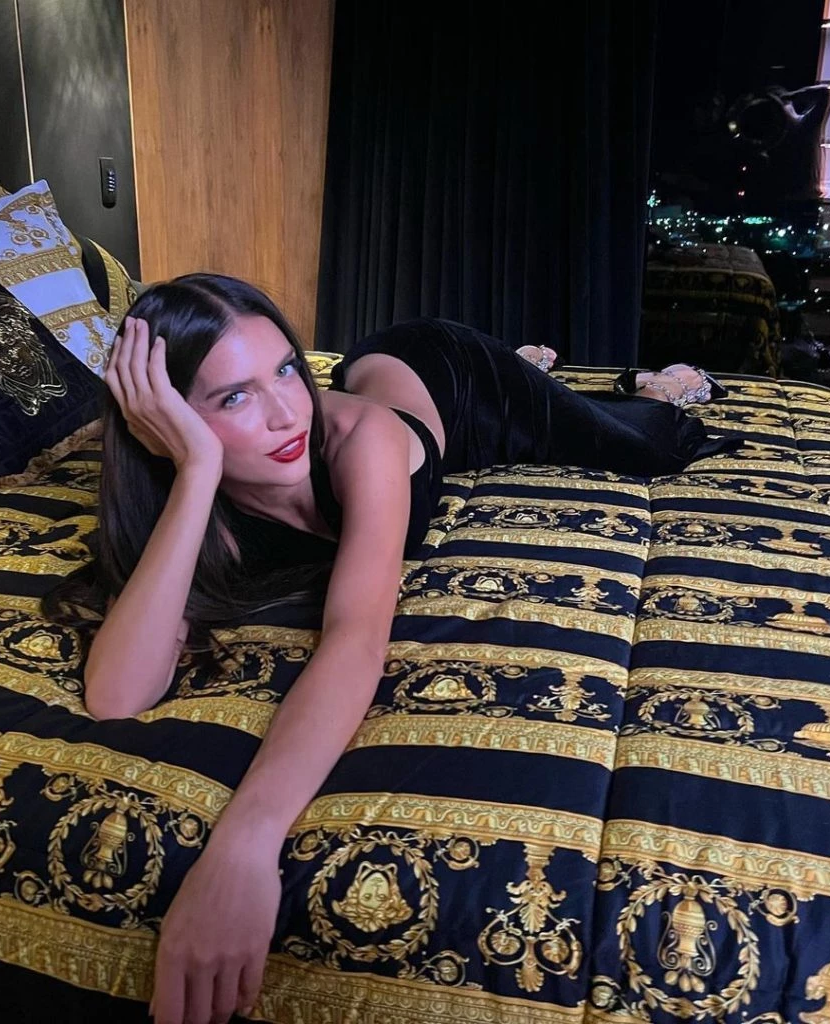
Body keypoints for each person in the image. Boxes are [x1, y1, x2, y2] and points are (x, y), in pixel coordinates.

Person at [41, 272, 739, 1023]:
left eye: (287, 369)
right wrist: (196, 471)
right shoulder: (189, 489)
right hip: (365, 390)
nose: (287, 413)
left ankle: (600, 376)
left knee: (637, 441)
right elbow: (116, 694)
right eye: (234, 397)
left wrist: (244, 846)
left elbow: (356, 635)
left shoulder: (357, 437)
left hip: (446, 379)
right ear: (167, 417)